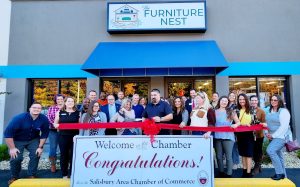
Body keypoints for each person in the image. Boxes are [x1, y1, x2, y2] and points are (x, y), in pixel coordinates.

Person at [4, 102, 50, 185]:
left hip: (33, 139)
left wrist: (40, 147)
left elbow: (44, 134)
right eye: (34, 107)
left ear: (41, 110)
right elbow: (8, 134)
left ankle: (31, 175)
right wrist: (12, 148)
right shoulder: (19, 118)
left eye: (39, 108)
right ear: (30, 109)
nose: (36, 109)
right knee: (16, 158)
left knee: (36, 154)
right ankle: (14, 176)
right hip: (17, 139)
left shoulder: (44, 119)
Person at [53, 97, 80, 178]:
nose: (70, 102)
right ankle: (64, 174)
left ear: (74, 103)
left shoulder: (78, 113)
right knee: (64, 155)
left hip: (74, 137)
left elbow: (80, 125)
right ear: (65, 103)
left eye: (72, 101)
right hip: (63, 136)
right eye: (68, 101)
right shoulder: (60, 112)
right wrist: (57, 126)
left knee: (73, 155)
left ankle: (72, 173)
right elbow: (55, 124)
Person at [214, 96, 240, 178]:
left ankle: (229, 173)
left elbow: (238, 122)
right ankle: (221, 172)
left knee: (229, 157)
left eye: (226, 101)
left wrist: (235, 125)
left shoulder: (231, 111)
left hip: (228, 137)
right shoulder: (214, 111)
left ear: (228, 102)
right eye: (222, 100)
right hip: (217, 137)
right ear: (219, 101)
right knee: (218, 156)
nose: (224, 102)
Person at [266, 94, 290, 180]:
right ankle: (284, 176)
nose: (273, 101)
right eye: (272, 99)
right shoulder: (270, 110)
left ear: (279, 101)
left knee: (270, 150)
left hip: (281, 137)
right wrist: (267, 133)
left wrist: (273, 135)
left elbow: (284, 127)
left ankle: (279, 173)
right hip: (272, 137)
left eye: (275, 100)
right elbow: (268, 124)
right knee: (279, 156)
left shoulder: (283, 111)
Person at [236, 93, 254, 177]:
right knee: (243, 153)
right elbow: (234, 123)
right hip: (240, 135)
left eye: (243, 99)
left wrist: (251, 124)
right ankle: (244, 170)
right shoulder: (236, 110)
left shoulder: (251, 109)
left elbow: (255, 121)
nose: (241, 101)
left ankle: (248, 172)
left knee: (248, 153)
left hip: (249, 134)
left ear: (246, 100)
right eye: (240, 99)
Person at [47, 94, 64, 173]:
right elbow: (49, 119)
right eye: (58, 99)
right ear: (56, 100)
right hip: (53, 130)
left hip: (65, 131)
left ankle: (64, 164)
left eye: (61, 99)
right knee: (53, 148)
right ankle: (53, 165)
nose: (60, 101)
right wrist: (56, 126)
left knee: (64, 148)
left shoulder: (67, 108)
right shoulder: (52, 108)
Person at [250, 95, 266, 175]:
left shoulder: (261, 111)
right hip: (250, 135)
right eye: (252, 100)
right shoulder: (248, 110)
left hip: (259, 135)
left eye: (255, 100)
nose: (253, 102)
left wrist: (259, 123)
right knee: (252, 151)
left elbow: (265, 123)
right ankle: (258, 165)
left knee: (258, 150)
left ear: (257, 101)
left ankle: (256, 166)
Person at [228, 92, 240, 169]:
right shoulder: (226, 105)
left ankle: (235, 162)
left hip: (234, 128)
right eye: (230, 95)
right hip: (226, 128)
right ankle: (230, 161)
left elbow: (237, 117)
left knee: (234, 146)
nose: (231, 97)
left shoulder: (236, 106)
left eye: (233, 96)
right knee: (228, 146)